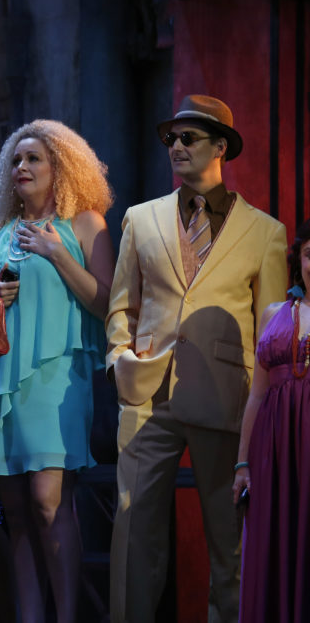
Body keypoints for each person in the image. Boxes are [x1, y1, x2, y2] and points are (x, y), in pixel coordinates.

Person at [106, 94, 288, 623]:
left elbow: (269, 328)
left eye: (189, 138)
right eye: (171, 139)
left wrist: (260, 413)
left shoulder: (265, 233)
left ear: (221, 148)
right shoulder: (141, 220)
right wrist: (121, 356)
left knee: (228, 542)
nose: (177, 147)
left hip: (225, 400)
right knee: (132, 534)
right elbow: (123, 306)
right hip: (148, 394)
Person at [0, 119, 114, 622]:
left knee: (50, 500)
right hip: (0, 382)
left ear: (62, 168)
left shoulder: (85, 224)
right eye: (16, 160)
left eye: (35, 159)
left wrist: (56, 253)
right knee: (20, 514)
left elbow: (107, 301)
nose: (22, 167)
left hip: (55, 377)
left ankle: (66, 616)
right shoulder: (0, 235)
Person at [232, 218, 310, 621]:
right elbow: (257, 395)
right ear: (300, 260)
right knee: (275, 544)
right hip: (274, 451)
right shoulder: (275, 313)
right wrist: (243, 464)